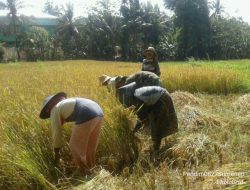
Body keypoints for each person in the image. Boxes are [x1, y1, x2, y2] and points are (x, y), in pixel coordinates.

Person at [39, 92, 104, 170]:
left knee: (74, 145)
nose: (49, 113)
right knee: (89, 145)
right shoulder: (66, 103)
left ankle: (84, 172)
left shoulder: (54, 109)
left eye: (48, 112)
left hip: (86, 113)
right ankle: (92, 168)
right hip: (99, 112)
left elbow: (56, 133)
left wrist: (57, 152)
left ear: (49, 108)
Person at [117, 84, 178, 151]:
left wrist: (133, 131)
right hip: (157, 99)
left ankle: (156, 149)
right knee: (154, 123)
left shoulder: (138, 98)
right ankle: (157, 146)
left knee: (158, 125)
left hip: (162, 98)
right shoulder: (135, 94)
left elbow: (141, 117)